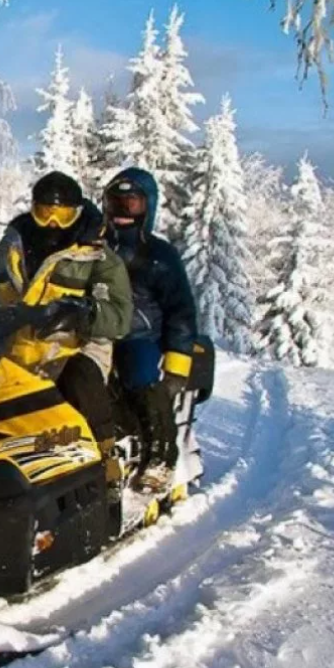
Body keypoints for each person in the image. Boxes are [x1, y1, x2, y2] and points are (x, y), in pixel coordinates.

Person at [0, 171, 134, 495]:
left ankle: (106, 460)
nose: (54, 224)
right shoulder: (15, 242)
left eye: (63, 215)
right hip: (15, 343)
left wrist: (83, 312)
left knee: (80, 375)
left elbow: (120, 314)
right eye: (45, 214)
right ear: (33, 210)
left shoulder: (97, 254)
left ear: (77, 213)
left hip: (74, 345)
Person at [101, 168, 198, 492]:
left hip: (139, 336)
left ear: (148, 207)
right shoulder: (93, 247)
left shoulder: (160, 255)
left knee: (140, 371)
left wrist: (177, 362)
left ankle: (161, 455)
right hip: (94, 331)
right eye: (116, 203)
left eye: (132, 204)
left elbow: (181, 311)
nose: (123, 212)